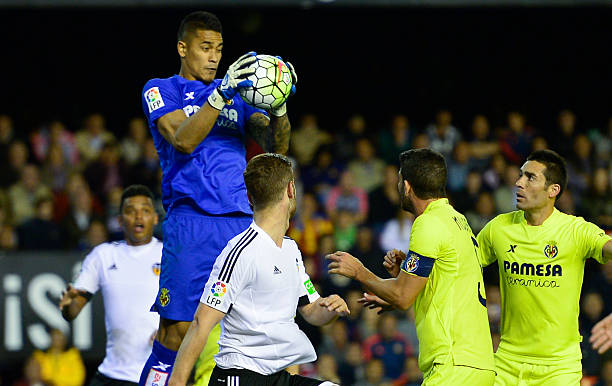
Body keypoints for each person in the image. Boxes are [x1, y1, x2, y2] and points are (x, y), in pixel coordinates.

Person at [138, 10, 298, 385]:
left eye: (219, 49)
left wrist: (279, 111)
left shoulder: (238, 97)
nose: (213, 56)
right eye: (205, 47)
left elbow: (277, 148)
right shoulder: (161, 89)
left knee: (262, 327)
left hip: (243, 224)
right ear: (183, 48)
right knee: (176, 333)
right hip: (191, 223)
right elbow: (183, 139)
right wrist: (219, 95)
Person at [167, 153, 347, 386]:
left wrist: (330, 308)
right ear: (292, 190)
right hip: (239, 377)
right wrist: (176, 383)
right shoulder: (240, 252)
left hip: (278, 376)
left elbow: (311, 310)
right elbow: (202, 322)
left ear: (249, 198)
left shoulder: (291, 250)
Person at [326, 148, 496, 385]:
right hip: (480, 365)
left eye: (398, 179)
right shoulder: (458, 220)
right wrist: (401, 281)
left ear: (406, 186)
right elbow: (438, 286)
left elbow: (402, 296)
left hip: (452, 366)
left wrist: (359, 271)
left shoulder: (427, 224)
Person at [477, 149, 612, 385]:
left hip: (559, 367)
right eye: (520, 176)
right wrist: (411, 271)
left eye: (530, 178)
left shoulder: (576, 231)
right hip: (508, 362)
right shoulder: (498, 228)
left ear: (553, 190)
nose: (519, 183)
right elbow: (460, 267)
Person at [59, 185, 162, 385]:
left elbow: (190, 308)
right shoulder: (103, 255)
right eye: (131, 211)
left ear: (155, 218)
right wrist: (67, 306)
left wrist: (167, 333)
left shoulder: (169, 255)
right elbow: (72, 310)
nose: (138, 217)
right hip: (112, 374)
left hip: (155, 373)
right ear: (120, 220)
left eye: (145, 211)